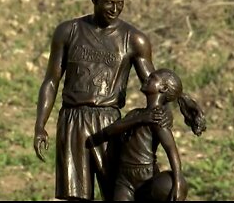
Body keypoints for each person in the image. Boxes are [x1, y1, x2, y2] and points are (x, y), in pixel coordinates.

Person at [33, 0, 204, 201]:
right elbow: (51, 81)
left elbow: (156, 81)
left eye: (120, 3)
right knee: (74, 196)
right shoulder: (68, 31)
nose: (115, 9)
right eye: (109, 3)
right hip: (72, 120)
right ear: (94, 0)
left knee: (114, 192)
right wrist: (40, 125)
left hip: (109, 122)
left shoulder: (134, 39)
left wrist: (183, 101)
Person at [86, 69, 206, 201]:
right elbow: (109, 131)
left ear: (163, 88)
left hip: (145, 176)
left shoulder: (158, 118)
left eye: (153, 78)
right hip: (124, 177)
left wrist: (178, 181)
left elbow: (171, 150)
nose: (147, 77)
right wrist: (140, 119)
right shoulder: (135, 114)